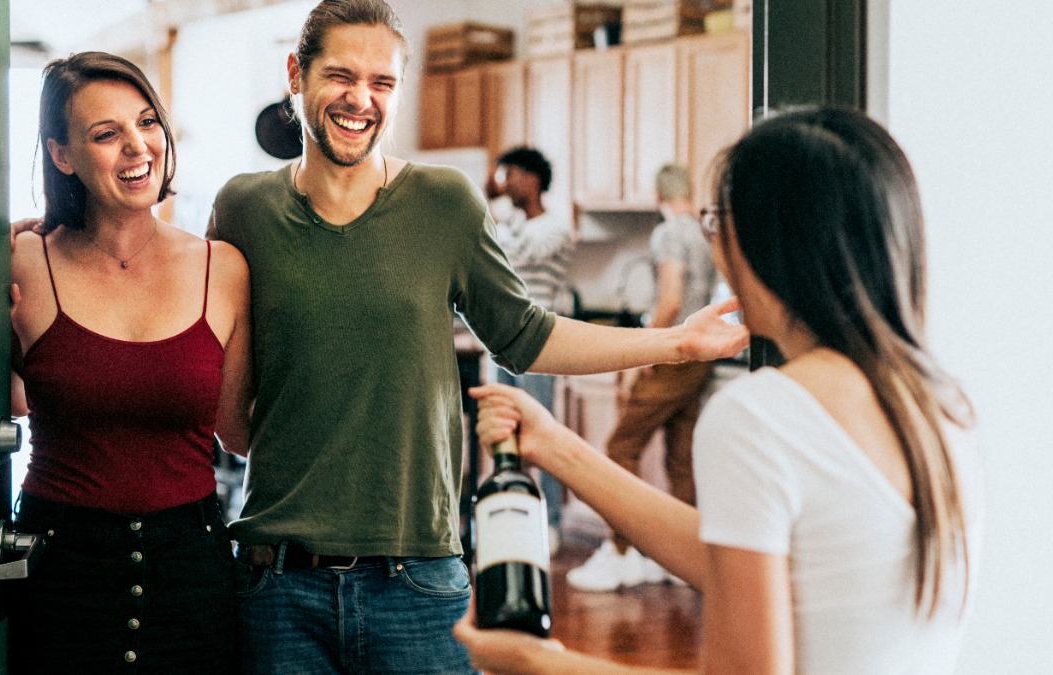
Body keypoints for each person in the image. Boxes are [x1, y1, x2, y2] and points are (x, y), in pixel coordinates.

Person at [207, 1, 747, 673]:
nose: (360, 99)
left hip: (416, 580)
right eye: (340, 76)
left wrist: (675, 344)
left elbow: (524, 334)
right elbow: (231, 412)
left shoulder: (445, 203)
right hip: (278, 582)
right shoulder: (242, 209)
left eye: (382, 82)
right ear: (297, 73)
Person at [456, 106, 982, 674]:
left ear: (760, 241)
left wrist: (537, 664)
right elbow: (738, 560)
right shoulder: (940, 406)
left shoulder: (760, 416)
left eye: (716, 224)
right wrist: (556, 446)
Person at [8, 51, 251, 673]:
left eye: (147, 122)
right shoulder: (19, 262)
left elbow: (241, 434)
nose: (138, 146)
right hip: (59, 575)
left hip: (191, 577)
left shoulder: (222, 270)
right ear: (62, 155)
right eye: (106, 133)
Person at [566, 163, 715, 592]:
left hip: (673, 352)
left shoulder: (668, 234)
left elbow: (669, 299)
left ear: (658, 195)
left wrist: (648, 346)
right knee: (681, 455)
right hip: (700, 355)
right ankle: (678, 559)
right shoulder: (706, 233)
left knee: (620, 446)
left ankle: (621, 550)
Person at [485, 146, 574, 553]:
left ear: (534, 178)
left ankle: (552, 523)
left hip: (540, 343)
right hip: (502, 342)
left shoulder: (555, 228)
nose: (507, 181)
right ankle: (512, 518)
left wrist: (495, 211)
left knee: (544, 433)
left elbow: (516, 252)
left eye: (513, 173)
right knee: (505, 435)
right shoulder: (513, 221)